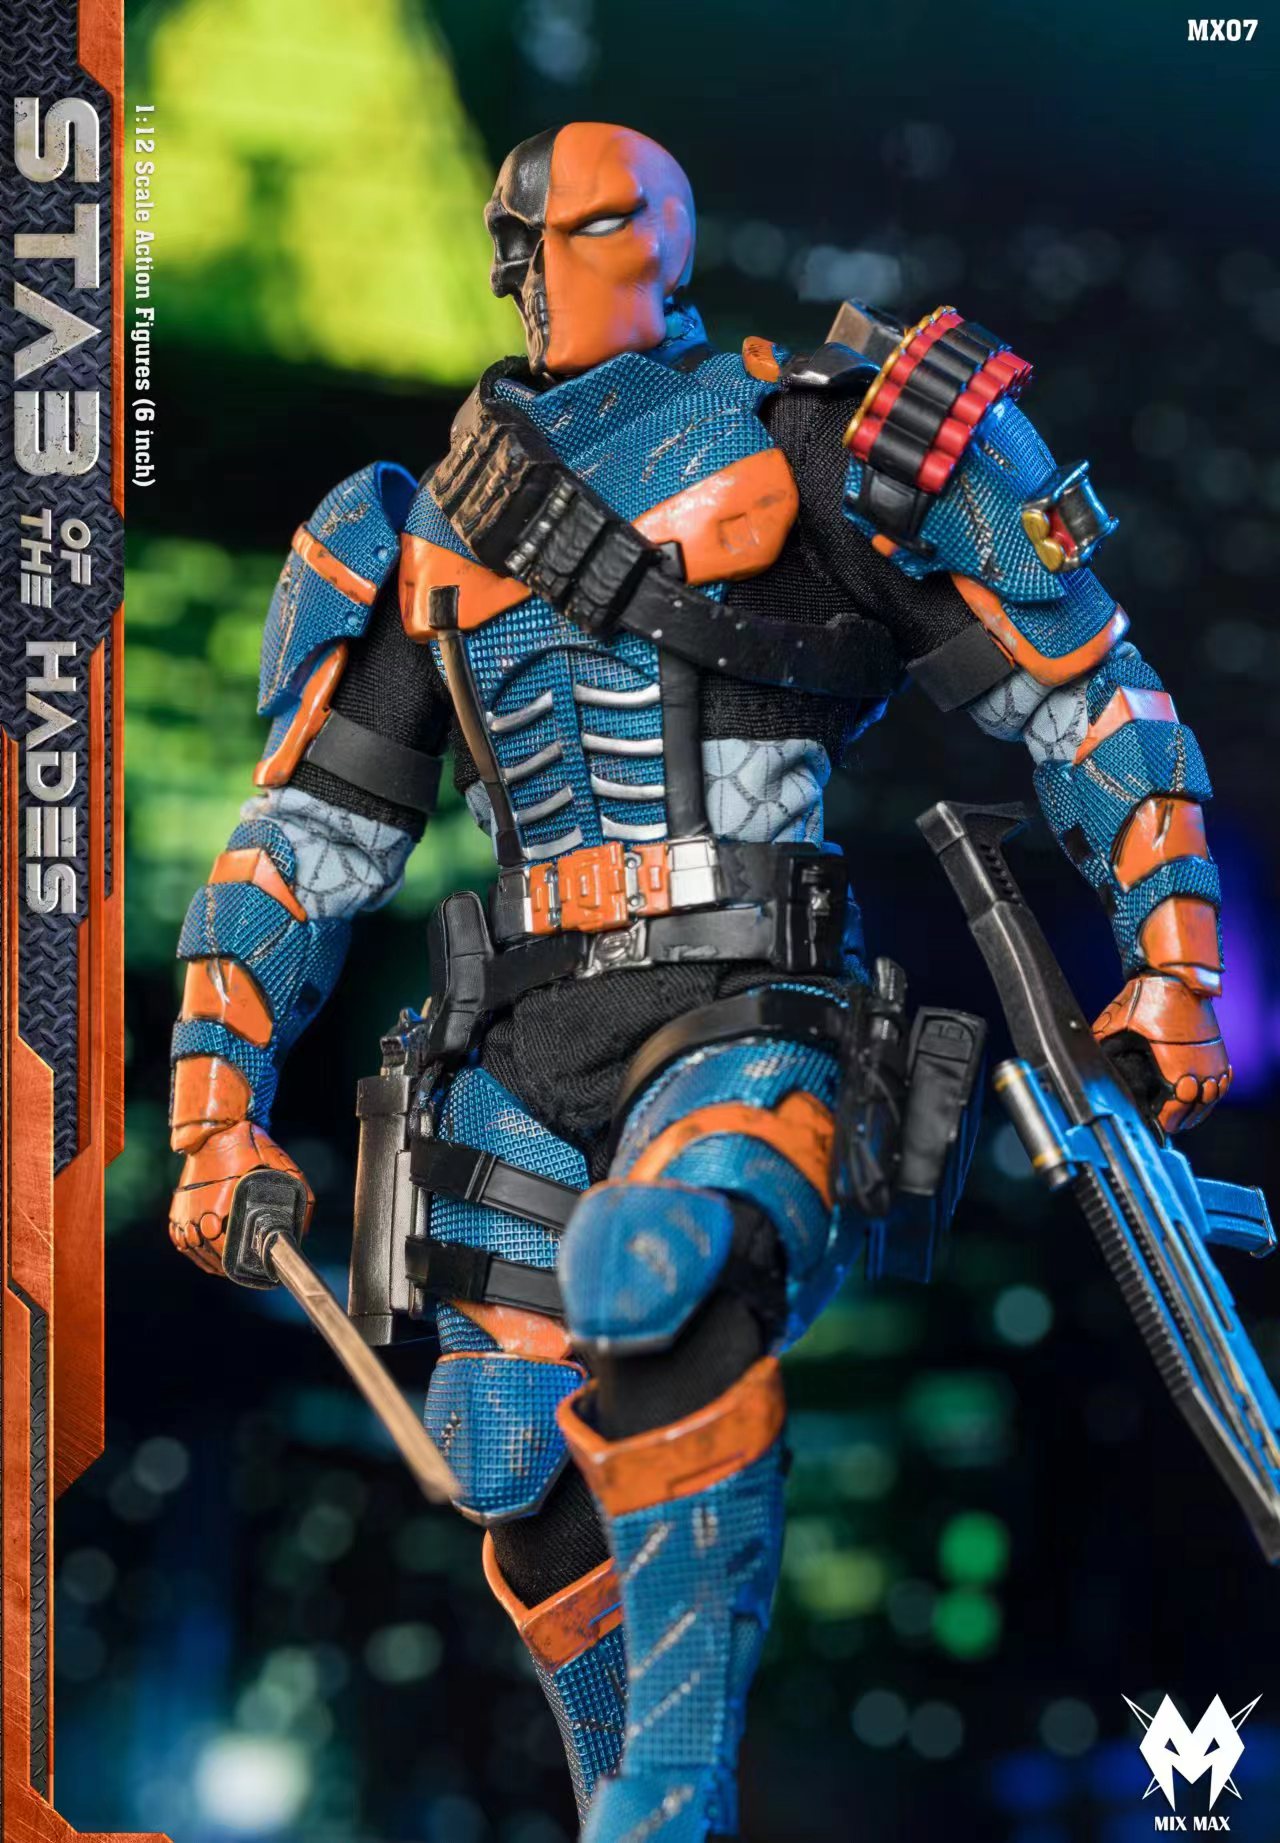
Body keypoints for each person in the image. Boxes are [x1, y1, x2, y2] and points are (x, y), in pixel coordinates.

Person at [166, 123, 1230, 1842]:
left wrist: (1172, 958)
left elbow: (1088, 696)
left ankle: (671, 1790)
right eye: (540, 236)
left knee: (653, 1270)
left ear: (657, 236)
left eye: (591, 226)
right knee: (506, 1456)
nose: (555, 263)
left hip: (750, 1005)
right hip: (517, 1047)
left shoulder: (830, 435)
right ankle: (641, 1810)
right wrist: (215, 1111)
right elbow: (301, 844)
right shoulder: (410, 523)